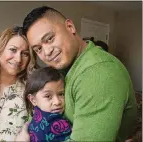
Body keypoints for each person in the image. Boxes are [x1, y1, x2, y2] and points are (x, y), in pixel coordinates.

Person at [17, 6, 137, 142]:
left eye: (50, 39)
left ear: (70, 27)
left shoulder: (98, 72)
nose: (47, 52)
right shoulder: (63, 68)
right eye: (38, 49)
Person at [0, 26, 36, 141]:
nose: (18, 59)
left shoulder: (32, 91)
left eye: (25, 54)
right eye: (13, 50)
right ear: (0, 50)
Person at [24, 67, 72, 142]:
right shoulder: (51, 122)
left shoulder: (37, 116)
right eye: (48, 96)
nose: (57, 102)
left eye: (61, 94)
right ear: (33, 100)